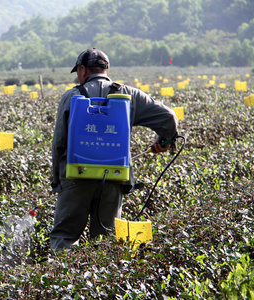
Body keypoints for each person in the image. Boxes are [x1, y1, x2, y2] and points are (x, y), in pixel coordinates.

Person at [50, 48, 179, 250]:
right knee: (105, 243)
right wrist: (164, 141)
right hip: (113, 179)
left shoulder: (72, 96)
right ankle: (100, 280)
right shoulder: (128, 94)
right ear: (107, 70)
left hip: (75, 176)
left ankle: (67, 280)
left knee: (64, 237)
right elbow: (169, 117)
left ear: (82, 70)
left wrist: (57, 181)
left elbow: (59, 142)